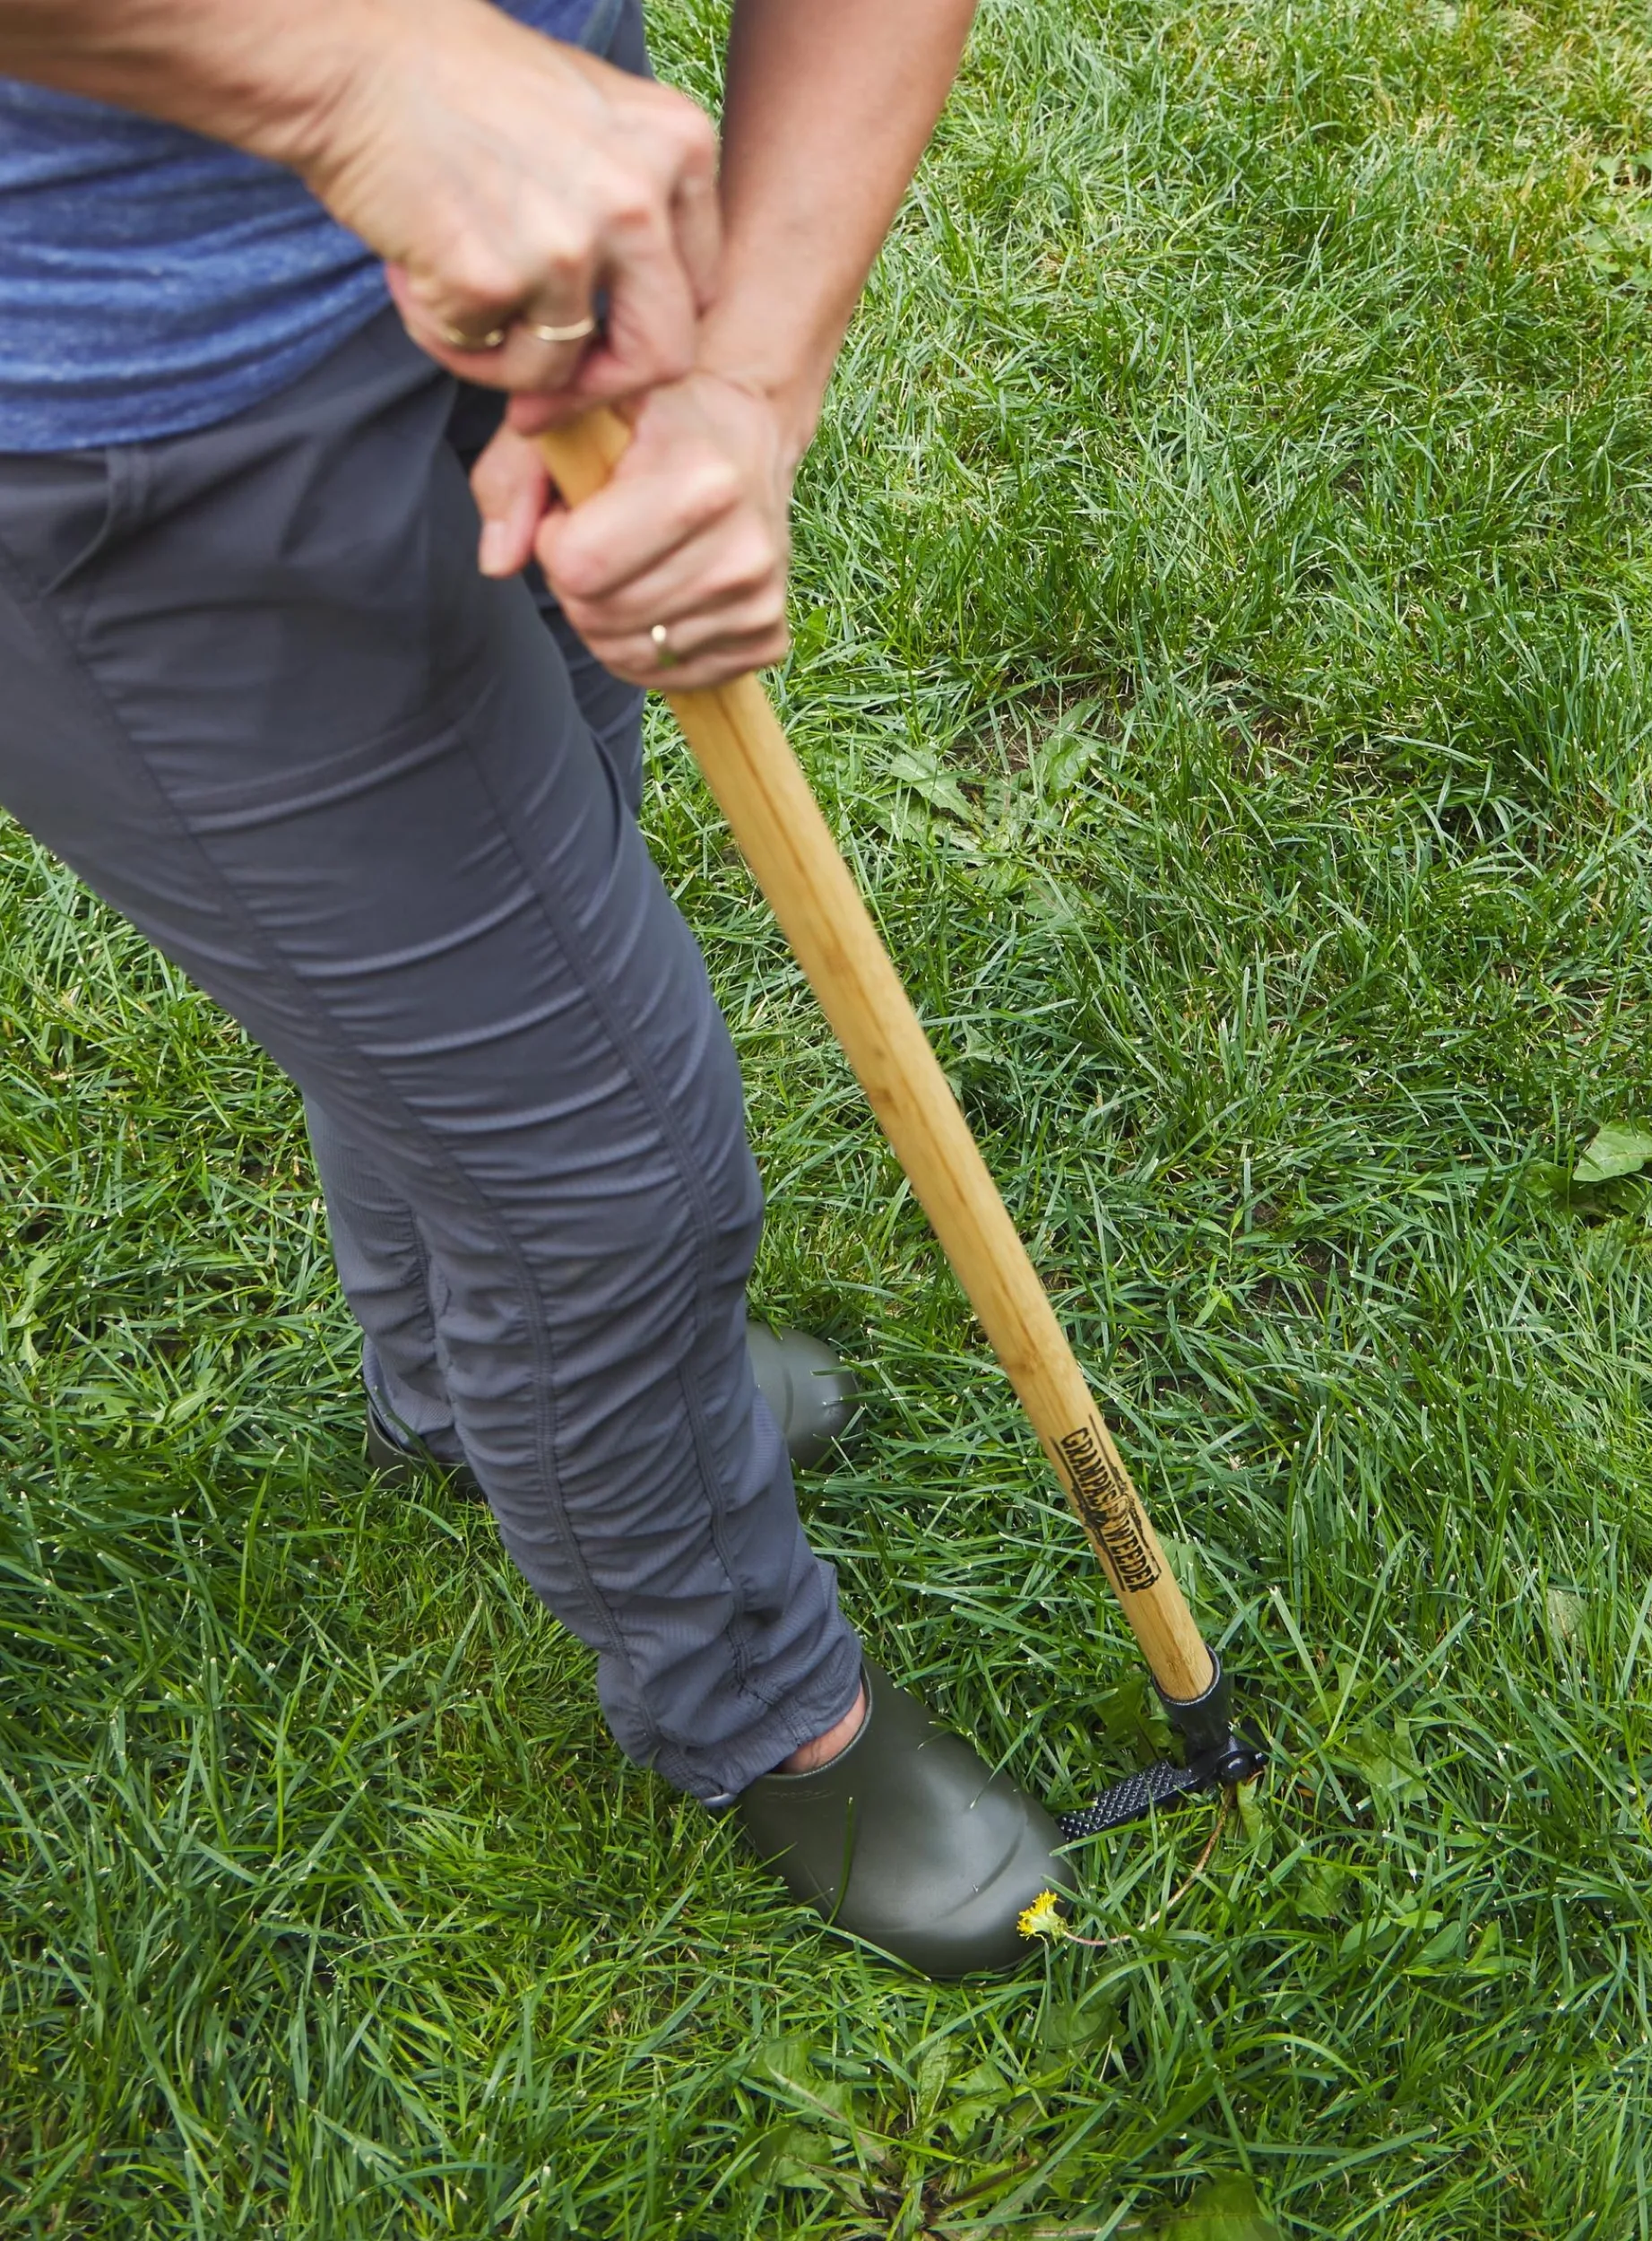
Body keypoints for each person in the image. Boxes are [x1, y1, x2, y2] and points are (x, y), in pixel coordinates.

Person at [0, 0, 1069, 1976]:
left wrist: (744, 382)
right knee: (611, 1184)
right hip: (109, 416)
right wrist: (351, 72)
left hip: (551, 294)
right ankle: (758, 1699)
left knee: (494, 917)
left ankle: (467, 1393)